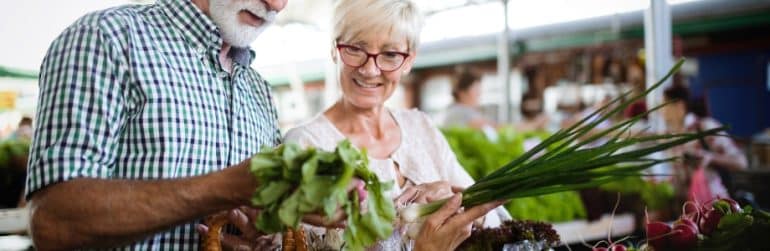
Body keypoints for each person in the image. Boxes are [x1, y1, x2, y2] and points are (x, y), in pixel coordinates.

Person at [24, 0, 352, 250]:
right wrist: (226, 187)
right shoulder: (107, 38)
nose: (277, 4)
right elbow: (54, 222)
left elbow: (256, 218)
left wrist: (262, 236)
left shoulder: (258, 88)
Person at [283, 0, 509, 249]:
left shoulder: (421, 128)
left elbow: (495, 219)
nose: (370, 70)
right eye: (356, 49)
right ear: (334, 49)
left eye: (390, 55)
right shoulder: (305, 145)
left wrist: (454, 200)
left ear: (409, 60)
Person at [661, 84, 747, 203]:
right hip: (687, 210)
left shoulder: (705, 127)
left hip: (714, 208)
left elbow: (741, 162)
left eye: (664, 105)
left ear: (679, 106)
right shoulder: (671, 136)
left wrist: (711, 158)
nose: (661, 111)